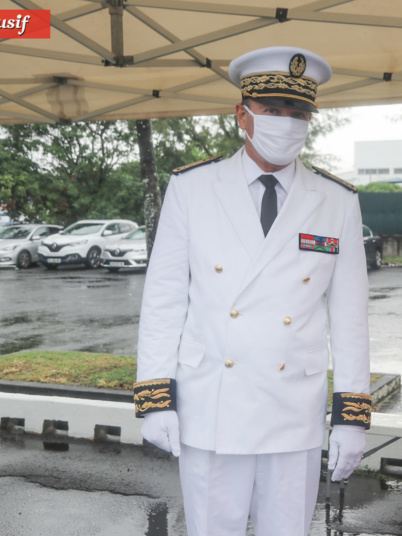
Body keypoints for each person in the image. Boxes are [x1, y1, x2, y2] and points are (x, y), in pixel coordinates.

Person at [133, 46, 372, 536]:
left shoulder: (336, 201)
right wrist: (154, 397)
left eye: (298, 112)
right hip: (211, 402)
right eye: (273, 111)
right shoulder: (192, 188)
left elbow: (350, 316)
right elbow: (164, 299)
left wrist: (352, 413)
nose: (287, 122)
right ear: (243, 114)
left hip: (293, 407)